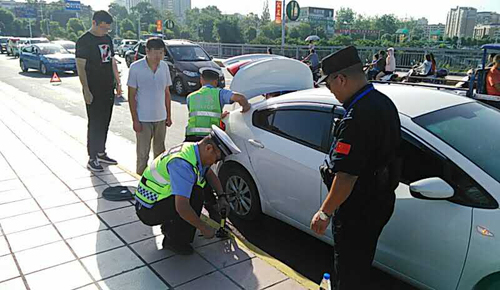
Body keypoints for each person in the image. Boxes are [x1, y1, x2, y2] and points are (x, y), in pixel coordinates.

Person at [312, 46, 401, 289]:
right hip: (379, 200)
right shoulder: (383, 103)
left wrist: (324, 213)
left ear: (340, 79)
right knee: (360, 262)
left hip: (357, 207)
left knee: (349, 270)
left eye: (330, 86)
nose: (332, 93)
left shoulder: (357, 118)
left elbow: (347, 176)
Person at [134, 125, 239, 255]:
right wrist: (204, 228)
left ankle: (172, 227)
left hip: (156, 201)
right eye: (217, 159)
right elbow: (182, 207)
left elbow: (209, 174)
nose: (215, 163)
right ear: (208, 148)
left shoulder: (195, 150)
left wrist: (221, 197)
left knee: (195, 191)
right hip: (147, 208)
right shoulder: (182, 164)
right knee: (195, 195)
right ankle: (173, 241)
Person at [185, 67, 251, 219]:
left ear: (201, 80)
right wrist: (245, 110)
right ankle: (210, 202)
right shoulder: (219, 93)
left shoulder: (191, 96)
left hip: (191, 139)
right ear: (216, 82)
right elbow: (240, 98)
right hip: (208, 140)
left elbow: (200, 114)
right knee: (207, 172)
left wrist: (218, 115)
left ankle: (194, 198)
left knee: (194, 170)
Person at [76, 11, 121, 172]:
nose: (105, 32)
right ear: (94, 23)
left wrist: (118, 82)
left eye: (108, 29)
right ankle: (92, 157)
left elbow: (112, 61)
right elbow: (80, 67)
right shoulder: (84, 41)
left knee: (105, 121)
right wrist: (86, 89)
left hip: (107, 86)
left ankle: (102, 152)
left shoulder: (107, 39)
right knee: (95, 123)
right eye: (103, 28)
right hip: (93, 88)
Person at [127, 37, 173, 175]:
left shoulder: (164, 67)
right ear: (147, 51)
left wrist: (169, 115)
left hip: (161, 117)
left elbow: (167, 93)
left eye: (161, 53)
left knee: (160, 153)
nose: (158, 56)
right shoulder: (136, 68)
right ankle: (141, 181)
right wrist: (135, 119)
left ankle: (158, 180)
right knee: (143, 153)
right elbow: (131, 96)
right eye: (155, 52)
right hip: (143, 118)